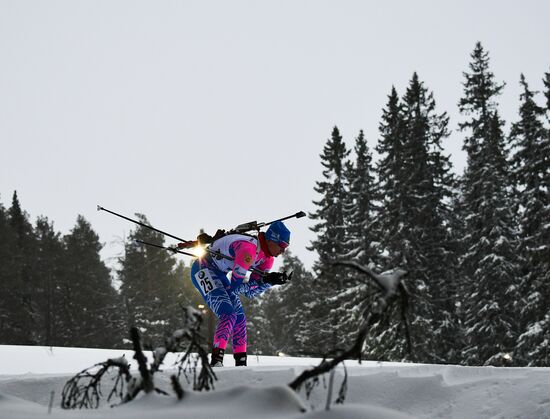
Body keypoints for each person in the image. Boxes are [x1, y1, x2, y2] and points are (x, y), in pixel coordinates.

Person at [189, 221, 291, 367]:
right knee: (229, 314)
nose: (283, 251)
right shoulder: (247, 249)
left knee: (240, 319)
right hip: (203, 269)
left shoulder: (267, 260)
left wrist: (269, 282)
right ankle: (216, 361)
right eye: (282, 246)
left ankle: (241, 364)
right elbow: (235, 288)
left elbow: (250, 292)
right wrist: (264, 280)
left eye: (286, 247)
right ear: (271, 240)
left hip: (219, 273)